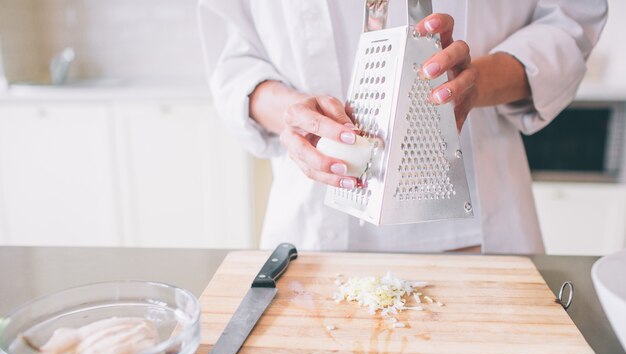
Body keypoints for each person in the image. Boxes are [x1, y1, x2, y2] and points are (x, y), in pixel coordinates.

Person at [198, 0, 608, 254]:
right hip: (315, 231)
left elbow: (569, 23)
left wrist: (475, 81)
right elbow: (233, 61)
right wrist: (293, 112)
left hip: (481, 231)